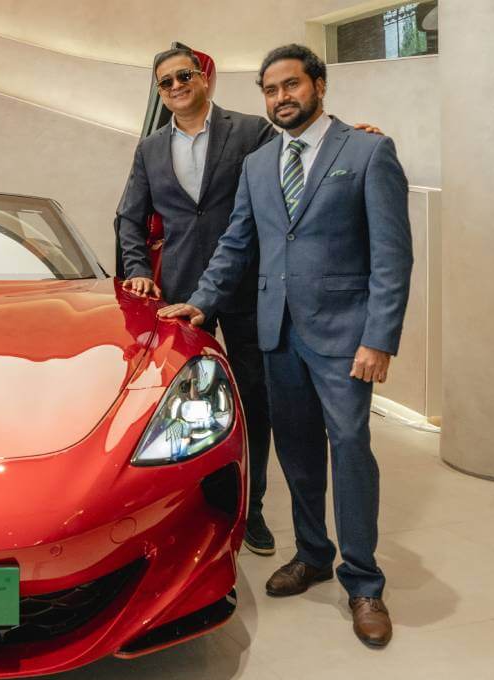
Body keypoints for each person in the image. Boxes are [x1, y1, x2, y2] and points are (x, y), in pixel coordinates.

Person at [159, 44, 412, 647]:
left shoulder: (368, 151)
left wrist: (379, 338)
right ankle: (313, 553)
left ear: (318, 85)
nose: (281, 98)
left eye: (291, 85)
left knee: (348, 445)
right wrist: (202, 300)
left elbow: (392, 256)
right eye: (270, 91)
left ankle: (364, 581)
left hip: (346, 334)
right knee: (296, 448)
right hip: (276, 330)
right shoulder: (258, 163)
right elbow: (236, 242)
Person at [115, 46, 277, 555]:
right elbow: (128, 217)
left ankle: (252, 506)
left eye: (184, 75)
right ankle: (192, 504)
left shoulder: (251, 131)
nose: (176, 86)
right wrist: (138, 271)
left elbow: (296, 165)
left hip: (249, 285)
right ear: (160, 92)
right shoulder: (150, 149)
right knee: (186, 403)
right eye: (165, 82)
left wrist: (352, 137)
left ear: (203, 78)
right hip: (182, 294)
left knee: (253, 399)